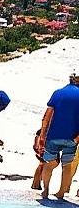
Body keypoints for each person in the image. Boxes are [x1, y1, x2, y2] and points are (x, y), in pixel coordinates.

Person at [35, 71, 79, 200]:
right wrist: (77, 138)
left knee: (49, 164)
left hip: (53, 136)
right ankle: (61, 193)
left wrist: (42, 135)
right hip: (71, 138)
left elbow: (47, 116)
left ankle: (46, 191)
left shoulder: (58, 93)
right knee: (67, 165)